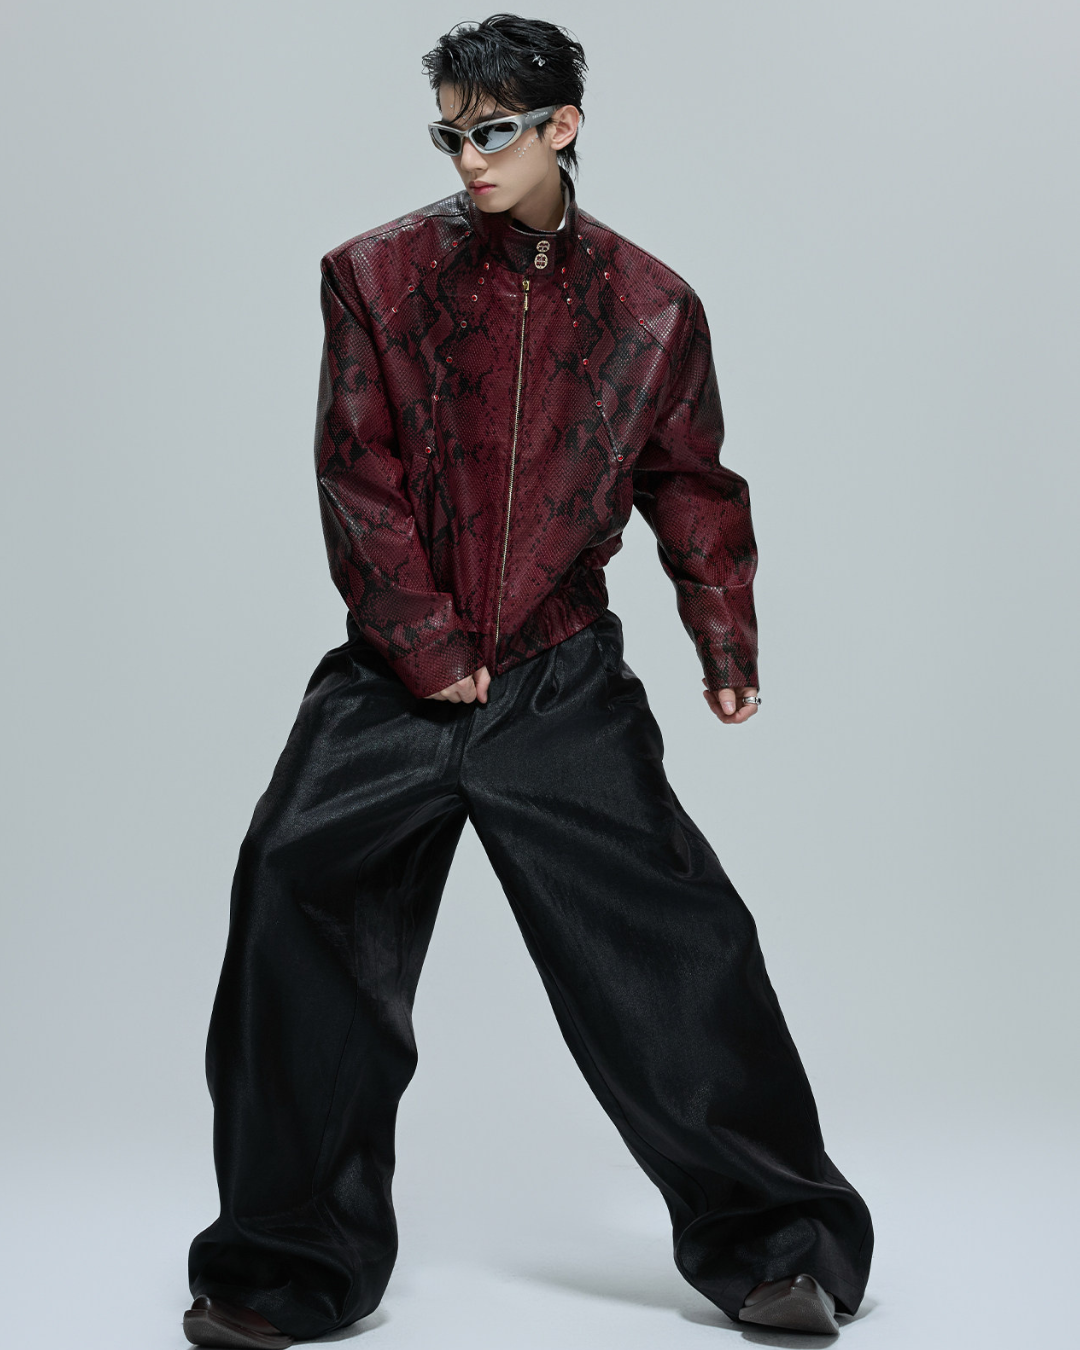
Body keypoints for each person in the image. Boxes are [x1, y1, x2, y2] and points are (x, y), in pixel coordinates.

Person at [183, 14, 873, 1347]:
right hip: (394, 682)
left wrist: (725, 638)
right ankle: (281, 1267)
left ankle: (782, 1247)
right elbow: (357, 476)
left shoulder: (652, 307)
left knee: (680, 948)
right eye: (449, 133)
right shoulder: (375, 276)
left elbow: (691, 482)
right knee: (289, 893)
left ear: (563, 126)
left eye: (492, 130)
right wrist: (428, 648)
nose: (469, 157)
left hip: (560, 679)